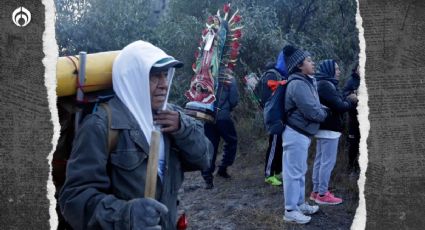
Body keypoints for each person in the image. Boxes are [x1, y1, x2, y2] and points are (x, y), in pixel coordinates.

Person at [59, 40, 212, 230]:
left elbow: (204, 159)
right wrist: (126, 216)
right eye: (154, 76)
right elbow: (74, 199)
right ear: (133, 79)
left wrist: (183, 128)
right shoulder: (100, 126)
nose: (164, 84)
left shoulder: (172, 117)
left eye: (165, 75)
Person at [281, 45, 329, 224]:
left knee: (300, 171)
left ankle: (299, 204)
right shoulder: (298, 84)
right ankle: (290, 211)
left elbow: (314, 106)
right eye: (308, 60)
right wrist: (325, 114)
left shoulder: (305, 81)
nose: (312, 62)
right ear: (300, 66)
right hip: (295, 134)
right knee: (293, 173)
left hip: (300, 134)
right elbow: (312, 111)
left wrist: (320, 110)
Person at [309, 59, 358, 205]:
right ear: (329, 70)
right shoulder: (325, 85)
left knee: (320, 160)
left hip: (324, 128)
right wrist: (351, 101)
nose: (339, 71)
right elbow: (340, 106)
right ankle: (323, 194)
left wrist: (345, 99)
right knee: (327, 162)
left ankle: (316, 192)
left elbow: (337, 101)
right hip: (329, 128)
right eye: (336, 69)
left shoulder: (323, 83)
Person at [201, 75, 239, 189]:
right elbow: (233, 100)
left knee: (210, 145)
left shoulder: (205, 75)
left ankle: (207, 177)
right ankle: (223, 168)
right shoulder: (229, 77)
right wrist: (227, 108)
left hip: (207, 116)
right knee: (232, 141)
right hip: (223, 116)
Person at [260, 53, 288, 186]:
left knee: (278, 145)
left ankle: (276, 172)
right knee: (274, 145)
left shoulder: (274, 75)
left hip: (278, 115)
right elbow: (271, 94)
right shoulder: (271, 75)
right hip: (274, 116)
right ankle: (269, 175)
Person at [343, 62, 360, 176]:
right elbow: (344, 95)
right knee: (354, 143)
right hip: (354, 118)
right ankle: (351, 167)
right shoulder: (351, 81)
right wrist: (351, 96)